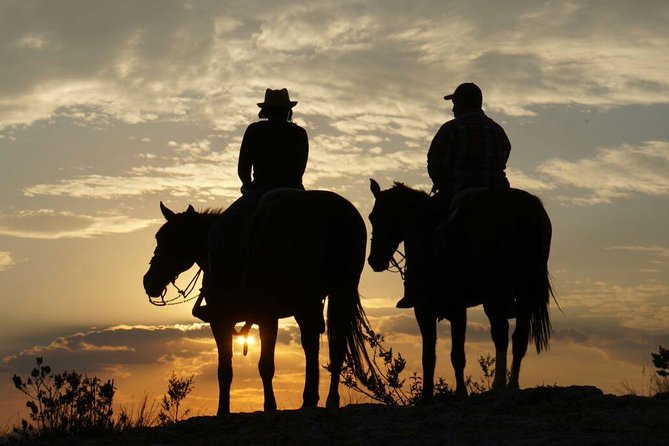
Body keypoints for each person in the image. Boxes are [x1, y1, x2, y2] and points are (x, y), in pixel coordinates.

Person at [194, 88, 308, 322]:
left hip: (263, 191)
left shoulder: (255, 131)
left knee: (217, 232)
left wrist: (247, 186)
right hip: (296, 193)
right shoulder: (299, 133)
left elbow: (243, 168)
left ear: (265, 112)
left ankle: (217, 293)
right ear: (288, 111)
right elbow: (300, 169)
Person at [396, 82, 511, 309]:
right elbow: (503, 159)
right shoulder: (498, 130)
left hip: (458, 191)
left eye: (455, 102)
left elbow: (435, 163)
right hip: (497, 194)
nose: (453, 108)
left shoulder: (450, 129)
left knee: (415, 226)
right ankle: (510, 292)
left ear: (462, 103)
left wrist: (441, 182)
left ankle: (416, 287)